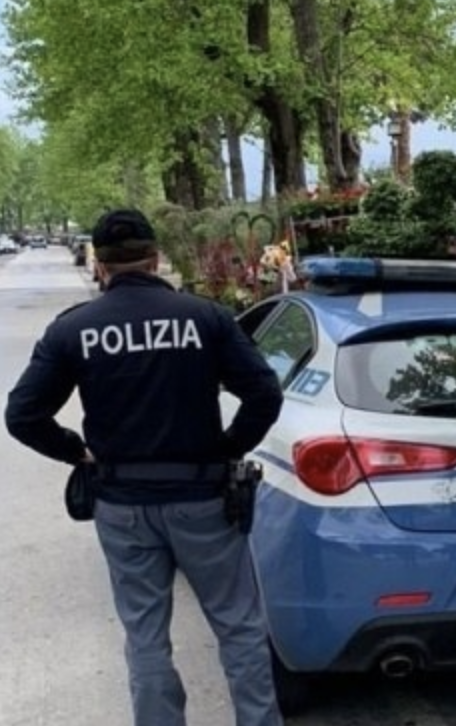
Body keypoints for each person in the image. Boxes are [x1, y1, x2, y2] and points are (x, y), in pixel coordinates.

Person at [5, 209, 286, 726]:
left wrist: (75, 451)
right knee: (240, 628)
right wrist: (228, 448)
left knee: (145, 637)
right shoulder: (205, 318)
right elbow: (264, 393)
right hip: (204, 500)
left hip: (122, 504)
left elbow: (22, 414)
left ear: (100, 264)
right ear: (155, 258)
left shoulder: (74, 329)